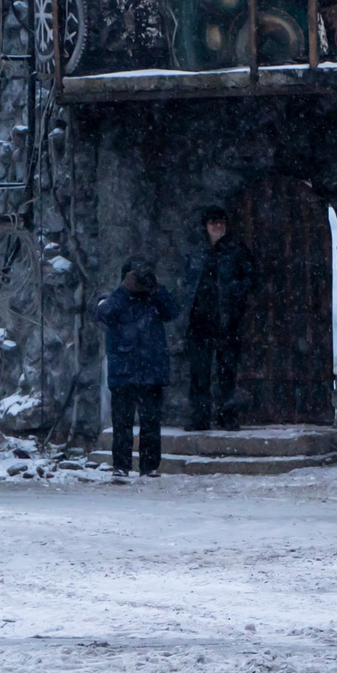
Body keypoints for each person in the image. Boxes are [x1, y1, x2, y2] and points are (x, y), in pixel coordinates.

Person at [96, 261, 180, 480]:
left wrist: (156, 288)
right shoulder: (115, 298)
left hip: (151, 369)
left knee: (151, 421)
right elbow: (102, 313)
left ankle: (149, 466)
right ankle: (121, 466)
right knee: (122, 422)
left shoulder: (154, 300)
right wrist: (124, 289)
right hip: (124, 370)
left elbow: (172, 310)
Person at [182, 206, 256, 431]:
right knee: (199, 372)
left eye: (221, 221)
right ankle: (201, 416)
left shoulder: (236, 251)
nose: (218, 226)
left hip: (227, 319)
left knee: (227, 371)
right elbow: (188, 280)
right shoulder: (196, 251)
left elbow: (250, 278)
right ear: (205, 226)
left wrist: (235, 294)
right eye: (213, 222)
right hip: (199, 320)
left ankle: (227, 415)